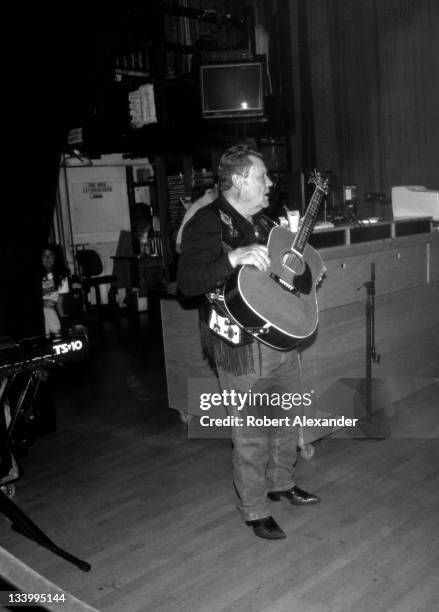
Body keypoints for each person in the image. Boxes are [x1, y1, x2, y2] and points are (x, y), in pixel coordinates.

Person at [177, 144, 321, 540]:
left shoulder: (266, 219)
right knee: (252, 432)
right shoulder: (207, 223)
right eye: (262, 176)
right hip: (240, 347)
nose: (270, 182)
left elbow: (280, 270)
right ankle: (255, 509)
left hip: (280, 337)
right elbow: (187, 284)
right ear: (240, 180)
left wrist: (303, 278)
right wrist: (232, 258)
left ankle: (281, 483)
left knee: (287, 419)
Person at [41, 245, 70, 337]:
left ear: (55, 258)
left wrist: (63, 317)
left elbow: (59, 303)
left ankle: (50, 335)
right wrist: (42, 303)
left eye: (50, 255)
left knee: (48, 310)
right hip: (38, 308)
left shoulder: (62, 275)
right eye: (44, 255)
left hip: (51, 309)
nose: (48, 258)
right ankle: (57, 333)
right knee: (46, 308)